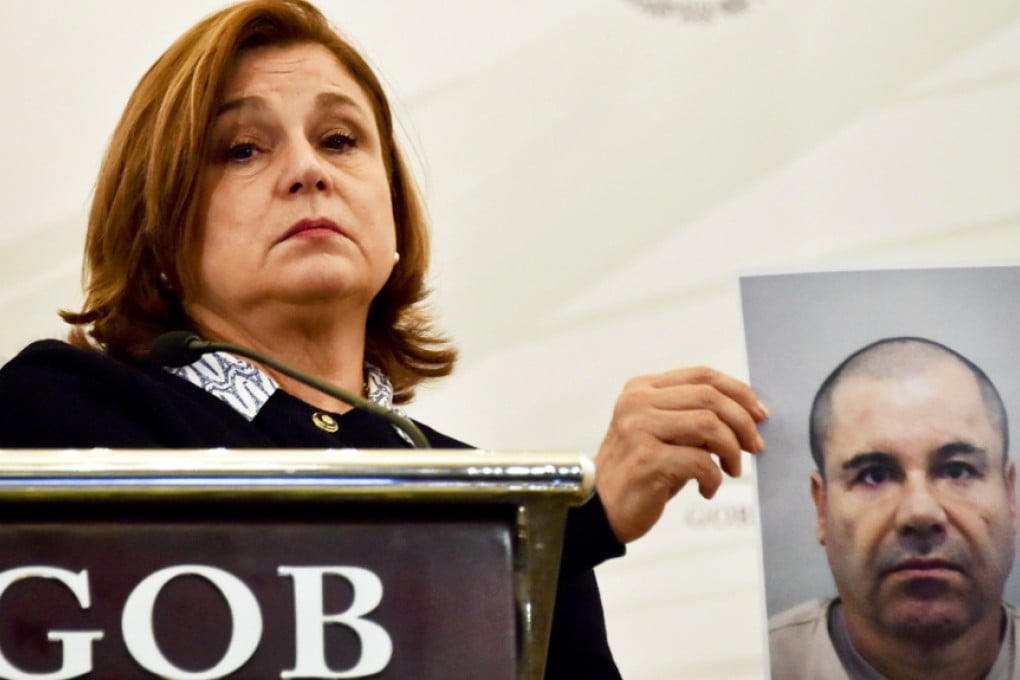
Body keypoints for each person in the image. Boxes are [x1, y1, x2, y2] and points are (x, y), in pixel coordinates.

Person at [0, 1, 767, 677]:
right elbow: (280, 612)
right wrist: (577, 525)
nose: (306, 170)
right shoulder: (61, 414)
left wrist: (555, 533)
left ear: (393, 213)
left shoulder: (491, 496)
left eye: (339, 139)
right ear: (161, 228)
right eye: (242, 149)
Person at [769, 336, 1019, 680]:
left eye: (957, 470)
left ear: (1010, 496)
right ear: (822, 507)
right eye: (875, 475)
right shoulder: (738, 663)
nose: (920, 513)